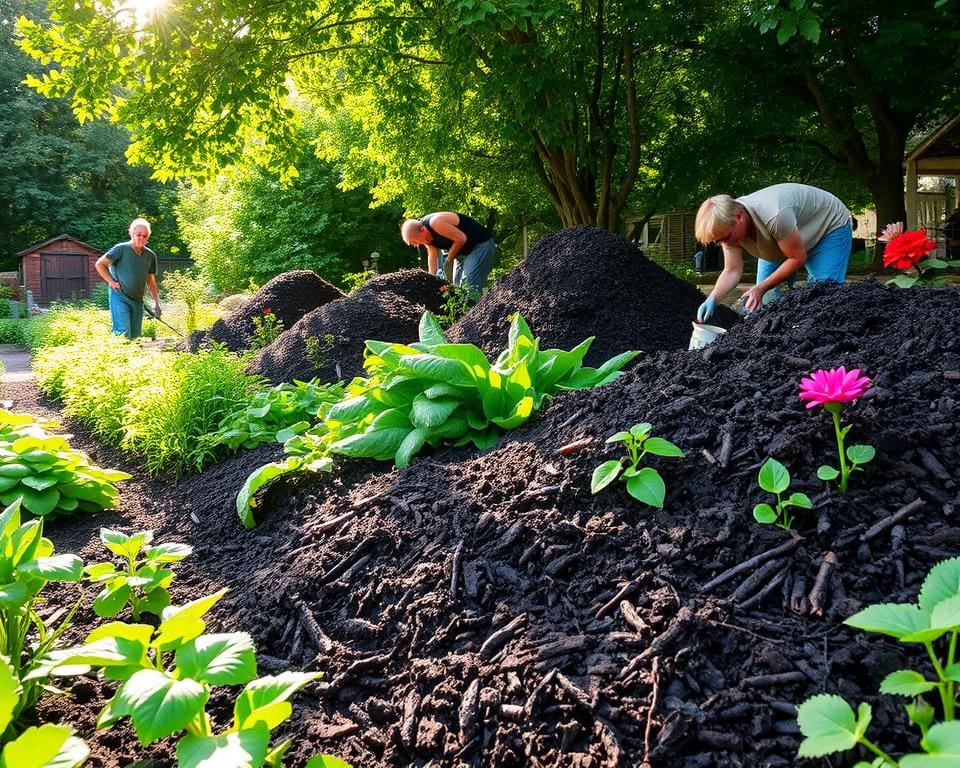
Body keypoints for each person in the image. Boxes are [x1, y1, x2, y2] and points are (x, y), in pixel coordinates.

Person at [693, 183, 852, 322]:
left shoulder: (774, 215)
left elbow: (797, 257)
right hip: (783, 238)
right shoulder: (728, 230)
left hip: (828, 226)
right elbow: (732, 270)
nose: (724, 244)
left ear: (739, 217)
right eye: (718, 241)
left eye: (725, 238)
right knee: (764, 300)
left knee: (822, 296)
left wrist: (761, 287)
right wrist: (713, 298)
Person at [95, 218, 162, 340]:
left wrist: (156, 303)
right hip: (119, 296)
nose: (141, 238)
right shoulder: (121, 249)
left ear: (148, 238)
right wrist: (111, 282)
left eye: (145, 236)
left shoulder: (150, 256)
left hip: (137, 300)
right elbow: (100, 264)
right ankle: (117, 357)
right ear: (131, 234)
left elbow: (151, 281)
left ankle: (129, 358)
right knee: (123, 332)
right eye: (138, 235)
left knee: (135, 337)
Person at [401, 212, 496, 294]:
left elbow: (461, 238)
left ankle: (482, 309)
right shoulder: (427, 239)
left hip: (480, 244)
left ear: (422, 230)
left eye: (416, 241)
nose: (418, 244)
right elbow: (432, 256)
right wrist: (431, 279)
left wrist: (449, 260)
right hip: (462, 253)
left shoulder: (436, 223)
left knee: (470, 284)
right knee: (457, 287)